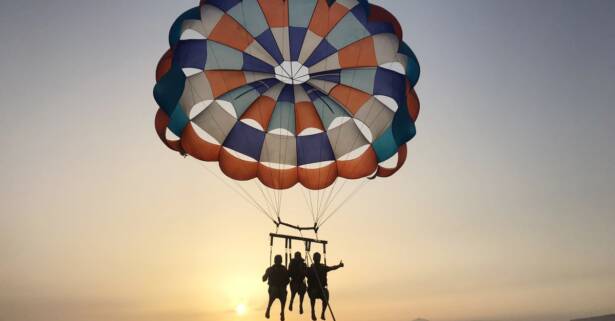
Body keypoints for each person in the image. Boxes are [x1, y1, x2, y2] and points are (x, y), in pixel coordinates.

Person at [307, 252, 344, 321]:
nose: (317, 259)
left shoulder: (323, 267)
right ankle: (313, 312)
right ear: (314, 258)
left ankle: (323, 313)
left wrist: (339, 265)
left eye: (318, 257)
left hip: (322, 288)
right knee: (313, 295)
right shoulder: (311, 268)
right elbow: (305, 273)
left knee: (326, 295)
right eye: (316, 257)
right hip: (313, 287)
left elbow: (332, 268)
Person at [263, 255, 290, 321]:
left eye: (279, 260)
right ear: (275, 261)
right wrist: (266, 275)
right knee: (274, 291)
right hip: (273, 287)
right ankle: (268, 308)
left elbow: (288, 280)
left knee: (283, 295)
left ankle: (282, 312)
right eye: (277, 260)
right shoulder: (270, 269)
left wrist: (284, 284)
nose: (278, 261)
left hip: (282, 288)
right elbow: (264, 279)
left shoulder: (284, 269)